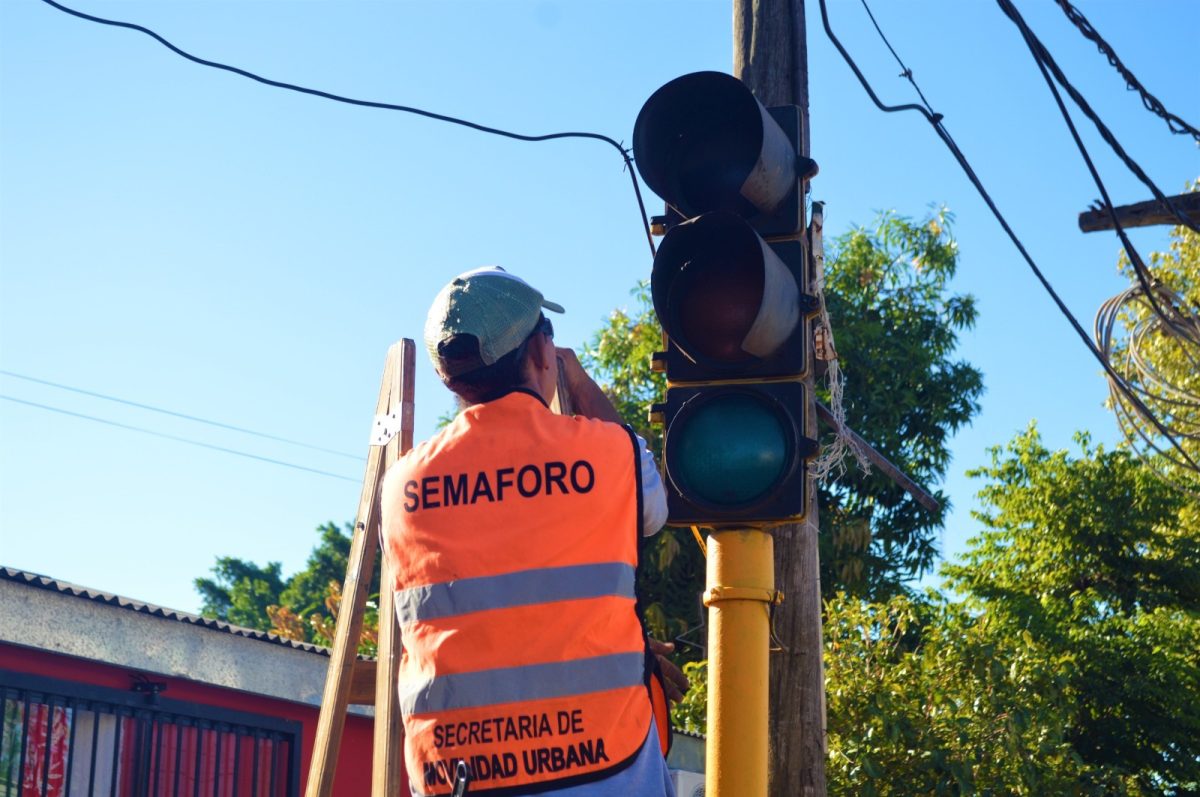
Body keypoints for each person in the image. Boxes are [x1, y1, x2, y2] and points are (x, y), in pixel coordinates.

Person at [380, 266, 686, 797]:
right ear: (543, 351)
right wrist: (580, 382)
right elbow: (651, 510)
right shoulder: (607, 453)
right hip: (600, 761)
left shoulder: (402, 486)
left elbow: (494, 616)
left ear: (446, 376)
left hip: (457, 774)